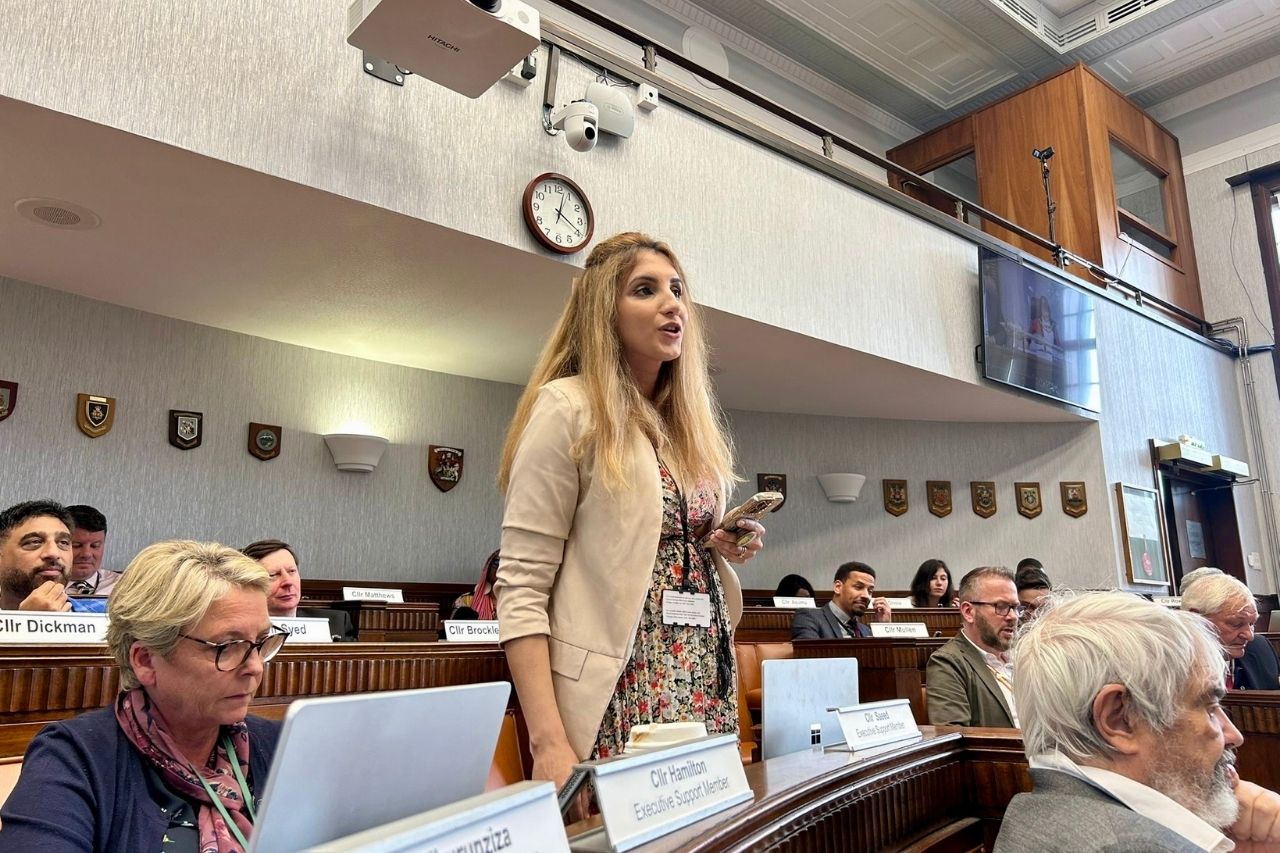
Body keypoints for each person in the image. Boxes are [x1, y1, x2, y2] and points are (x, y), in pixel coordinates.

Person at [495, 232, 764, 789]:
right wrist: (548, 741)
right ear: (603, 312)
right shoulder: (568, 408)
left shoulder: (685, 425)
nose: (673, 304)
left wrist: (720, 543)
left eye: (678, 289)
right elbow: (520, 588)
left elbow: (657, 541)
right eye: (645, 290)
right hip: (621, 681)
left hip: (699, 670)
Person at [0, 540, 288, 849]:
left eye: (260, 642)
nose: (255, 668)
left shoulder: (281, 744)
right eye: (228, 647)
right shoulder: (74, 757)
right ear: (146, 660)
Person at [997, 591, 1280, 852]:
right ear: (1120, 719)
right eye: (1209, 706)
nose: (1233, 734)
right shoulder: (1138, 846)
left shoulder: (1037, 809)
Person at [926, 566, 1019, 727]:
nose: (1013, 616)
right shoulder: (948, 662)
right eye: (1001, 607)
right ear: (969, 612)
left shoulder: (1024, 654)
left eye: (1016, 608)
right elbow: (954, 737)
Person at [0, 500, 107, 613]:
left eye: (63, 542)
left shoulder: (107, 619)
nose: (54, 553)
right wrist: (29, 622)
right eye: (35, 542)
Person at [242, 539, 356, 642]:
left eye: (292, 571)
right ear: (251, 584)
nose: (288, 582)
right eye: (273, 575)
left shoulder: (336, 623)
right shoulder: (241, 631)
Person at [1183, 574, 1279, 691]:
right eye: (1236, 624)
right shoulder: (1166, 665)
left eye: (1252, 624)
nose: (1249, 636)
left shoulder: (1260, 648)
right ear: (1196, 618)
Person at [792, 562, 890, 639]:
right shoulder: (809, 618)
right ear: (838, 587)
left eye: (870, 591)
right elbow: (810, 658)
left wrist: (884, 627)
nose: (866, 596)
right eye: (858, 587)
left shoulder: (866, 631)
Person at [65, 504, 123, 596]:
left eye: (95, 546)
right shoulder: (37, 585)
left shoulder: (125, 586)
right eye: (76, 545)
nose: (86, 554)